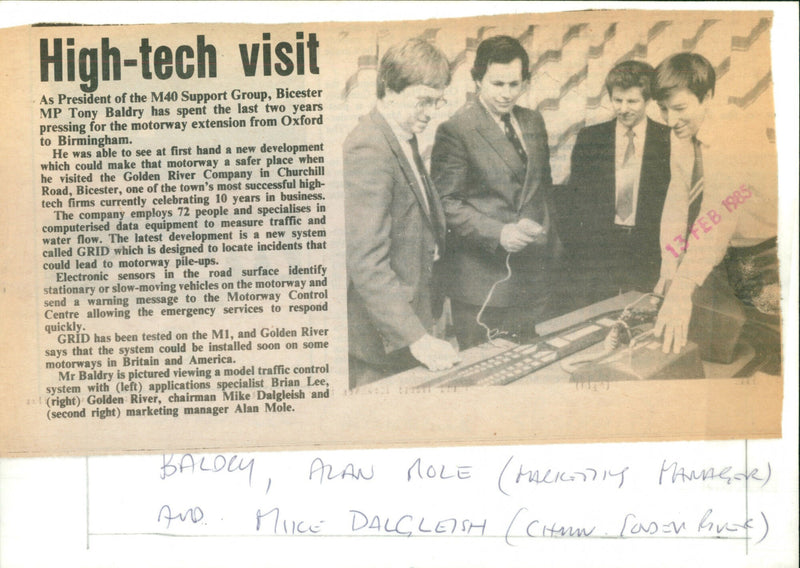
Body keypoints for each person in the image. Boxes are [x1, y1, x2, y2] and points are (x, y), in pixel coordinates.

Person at [431, 35, 560, 350]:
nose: (506, 94)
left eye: (514, 84)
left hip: (532, 279)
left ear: (525, 82)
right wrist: (499, 232)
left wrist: (548, 237)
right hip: (481, 287)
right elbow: (445, 204)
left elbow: (543, 187)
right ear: (477, 80)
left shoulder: (533, 120)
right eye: (497, 84)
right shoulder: (456, 130)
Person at [344, 38, 460, 388]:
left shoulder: (402, 137)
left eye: (437, 101)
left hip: (412, 324)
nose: (431, 112)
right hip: (383, 345)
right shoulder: (369, 147)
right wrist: (417, 338)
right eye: (423, 100)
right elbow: (366, 262)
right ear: (390, 90)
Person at [651, 52, 778, 358]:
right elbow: (678, 201)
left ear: (707, 96)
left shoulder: (736, 130)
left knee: (769, 355)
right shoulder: (681, 130)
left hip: (768, 253)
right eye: (664, 109)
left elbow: (717, 217)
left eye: (680, 108)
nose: (671, 120)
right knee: (713, 352)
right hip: (722, 254)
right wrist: (669, 268)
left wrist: (682, 287)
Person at [562, 60, 670, 308]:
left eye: (632, 101)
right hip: (600, 250)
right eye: (617, 100)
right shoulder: (590, 139)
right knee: (597, 315)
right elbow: (575, 201)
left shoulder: (668, 141)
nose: (623, 109)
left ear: (648, 99)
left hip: (648, 250)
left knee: (641, 315)